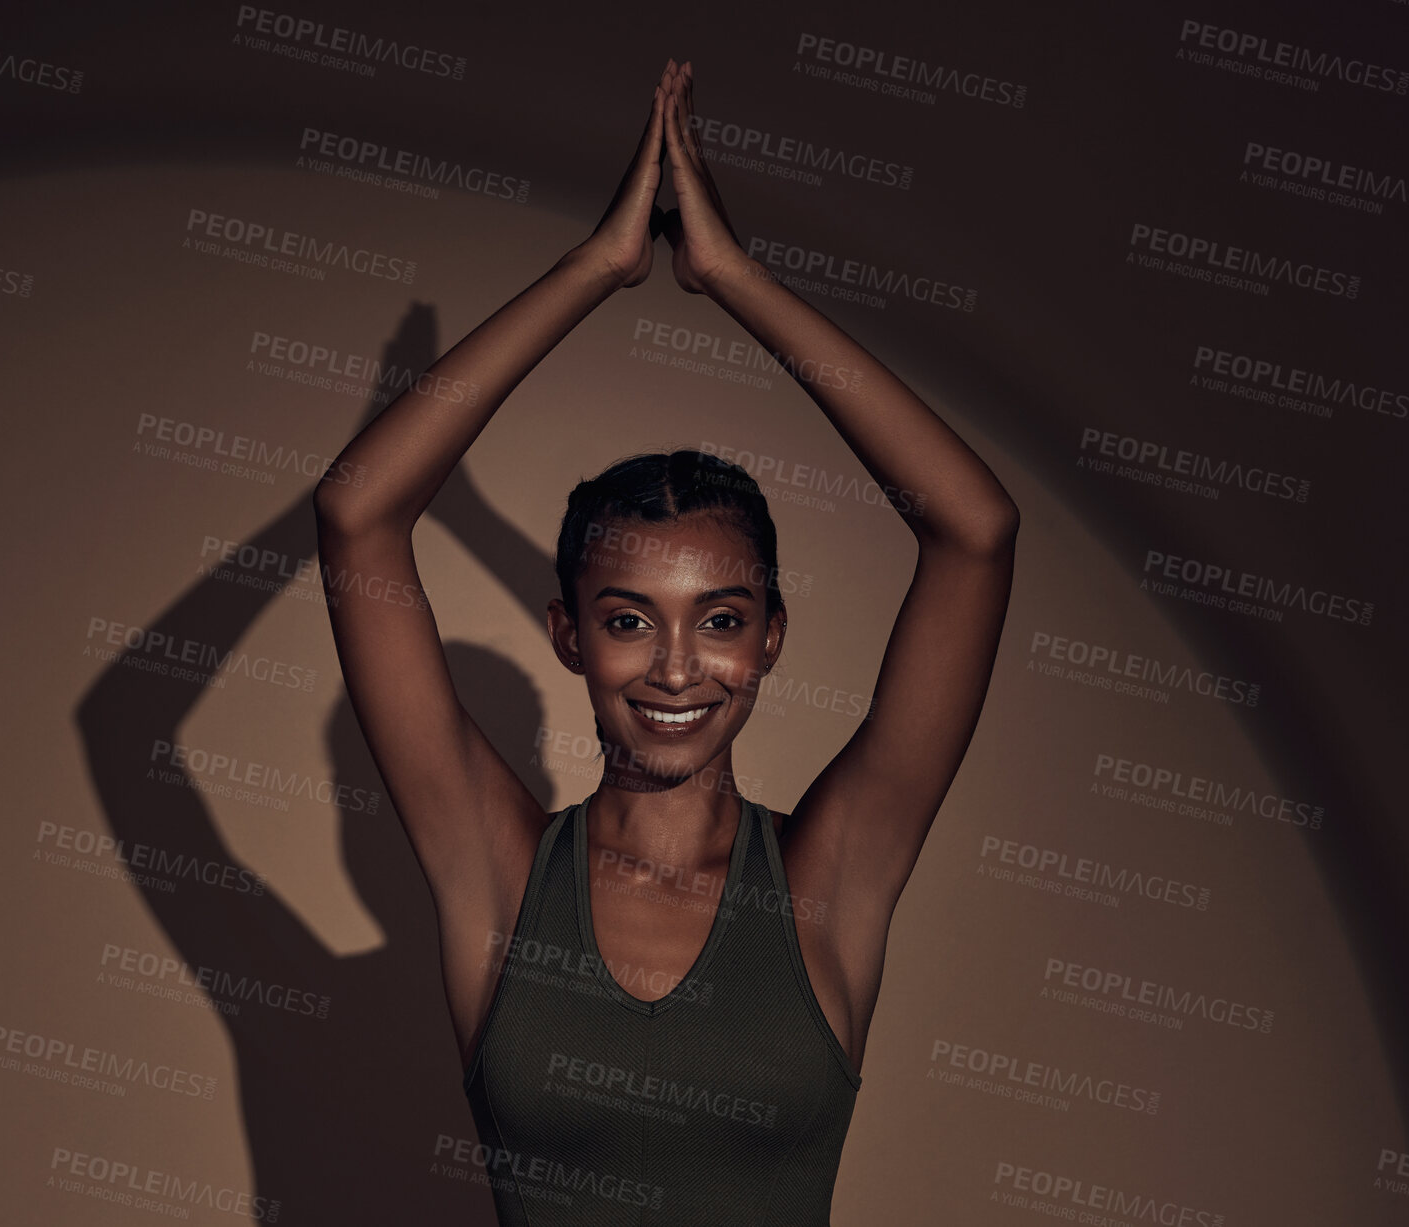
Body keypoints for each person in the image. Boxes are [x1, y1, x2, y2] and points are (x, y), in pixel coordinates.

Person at [314, 57, 1018, 1226]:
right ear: (568, 636)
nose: (680, 667)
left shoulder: (824, 883)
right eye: (629, 620)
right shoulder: (500, 873)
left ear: (772, 640)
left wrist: (732, 275)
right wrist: (598, 266)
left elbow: (974, 532)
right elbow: (357, 514)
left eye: (723, 622)